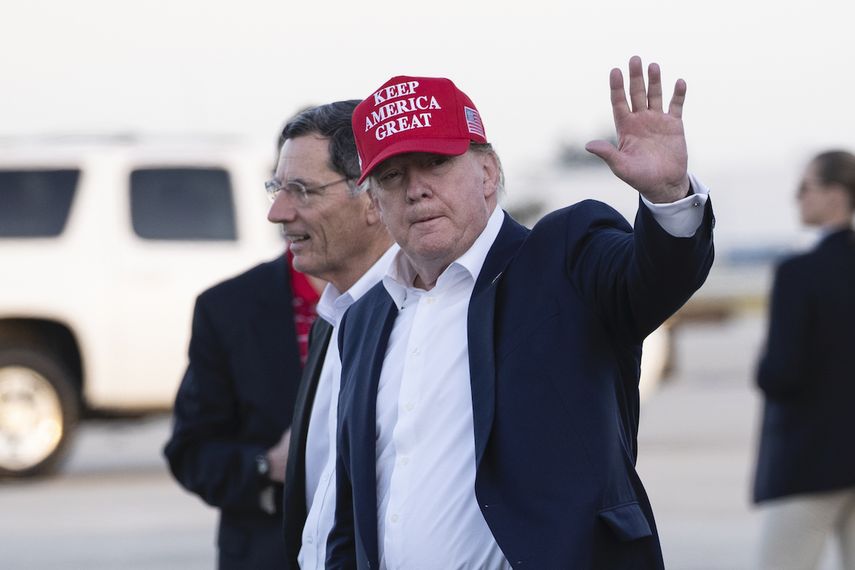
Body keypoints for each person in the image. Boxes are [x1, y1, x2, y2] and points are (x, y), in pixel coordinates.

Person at [327, 56, 715, 569]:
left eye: (436, 163)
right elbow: (354, 511)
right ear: (373, 201)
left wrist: (668, 196)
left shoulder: (563, 256)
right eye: (393, 175)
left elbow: (654, 279)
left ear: (488, 172)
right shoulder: (363, 320)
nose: (416, 188)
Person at [268, 100, 397, 570]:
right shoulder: (334, 316)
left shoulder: (427, 318)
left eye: (301, 191)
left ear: (371, 198)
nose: (278, 213)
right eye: (277, 188)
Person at [163, 247, 321, 568]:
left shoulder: (409, 289)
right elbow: (190, 452)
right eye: (282, 193)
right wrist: (268, 464)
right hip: (267, 551)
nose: (280, 212)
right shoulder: (228, 307)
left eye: (308, 192)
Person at [753, 150, 855, 569]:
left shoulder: (799, 273)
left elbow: (780, 374)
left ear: (835, 194)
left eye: (805, 187)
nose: (797, 197)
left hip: (810, 461)